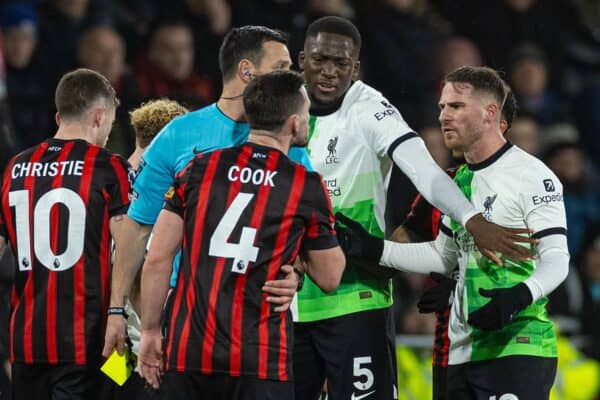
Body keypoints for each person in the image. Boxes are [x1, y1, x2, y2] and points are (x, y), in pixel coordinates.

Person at [294, 16, 535, 400]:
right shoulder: (279, 106)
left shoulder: (370, 109)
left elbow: (424, 170)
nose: (329, 72)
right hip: (285, 299)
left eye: (341, 64)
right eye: (320, 60)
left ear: (355, 68)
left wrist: (471, 219)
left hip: (356, 295)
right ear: (301, 58)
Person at [337, 66, 569, 399]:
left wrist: (519, 296)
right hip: (461, 350)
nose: (444, 115)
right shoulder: (458, 181)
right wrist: (373, 248)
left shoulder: (532, 176)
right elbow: (442, 256)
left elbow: (557, 259)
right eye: (442, 107)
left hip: (518, 344)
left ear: (490, 113)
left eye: (456, 107)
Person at [103, 25, 310, 361]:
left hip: (262, 323)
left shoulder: (290, 142)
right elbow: (137, 227)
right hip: (188, 319)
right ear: (246, 71)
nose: (292, 78)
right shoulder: (179, 136)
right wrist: (117, 310)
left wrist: (297, 272)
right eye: (281, 69)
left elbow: (310, 225)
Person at [137, 70, 345, 399]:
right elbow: (331, 276)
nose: (307, 120)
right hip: (259, 358)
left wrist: (149, 331)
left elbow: (158, 257)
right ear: (293, 123)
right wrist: (297, 272)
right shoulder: (304, 184)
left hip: (189, 350)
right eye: (305, 113)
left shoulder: (197, 169)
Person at [0, 68, 132, 400]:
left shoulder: (16, 166)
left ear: (59, 116)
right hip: (87, 340)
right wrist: (121, 315)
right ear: (100, 116)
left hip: (26, 342)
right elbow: (129, 248)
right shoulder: (109, 166)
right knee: (130, 387)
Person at [391, 90, 518, 400]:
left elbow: (531, 259)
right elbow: (401, 241)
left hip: (504, 337)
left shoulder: (520, 183)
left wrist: (458, 282)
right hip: (448, 339)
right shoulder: (443, 186)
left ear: (496, 123)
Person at [114, 99, 189, 400]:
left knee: (119, 392)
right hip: (151, 350)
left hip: (116, 347)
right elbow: (135, 268)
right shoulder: (159, 193)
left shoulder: (111, 181)